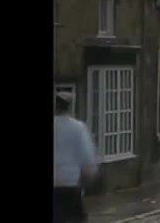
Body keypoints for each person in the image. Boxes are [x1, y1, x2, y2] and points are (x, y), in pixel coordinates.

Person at [54, 92, 98, 223]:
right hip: (70, 185)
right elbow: (87, 159)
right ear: (70, 107)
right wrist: (88, 179)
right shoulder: (78, 128)